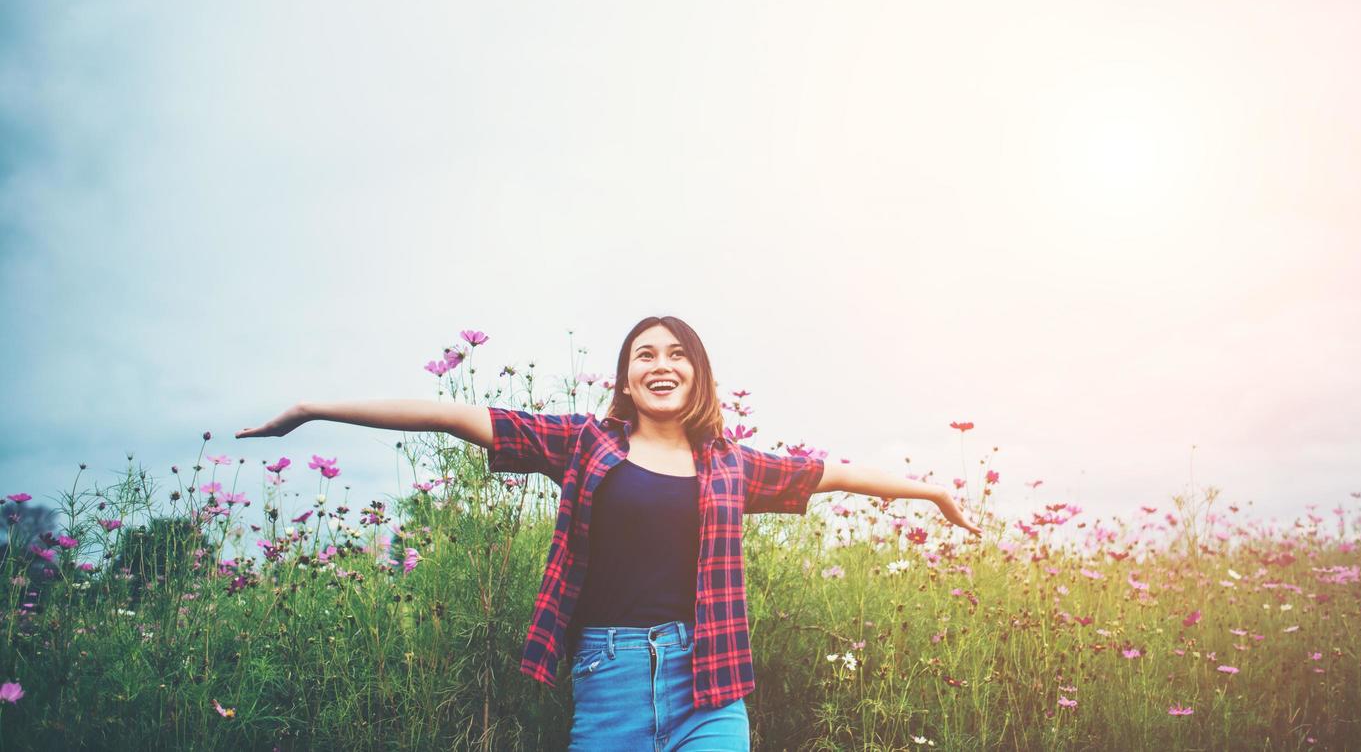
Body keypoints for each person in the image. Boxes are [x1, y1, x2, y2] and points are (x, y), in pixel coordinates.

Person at [238, 315, 980, 750]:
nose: (661, 364)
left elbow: (836, 472)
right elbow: (451, 414)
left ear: (698, 377)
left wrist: (934, 489)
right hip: (607, 679)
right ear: (626, 381)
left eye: (676, 354)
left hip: (708, 682)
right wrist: (316, 407)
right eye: (645, 356)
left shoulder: (732, 466)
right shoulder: (585, 444)